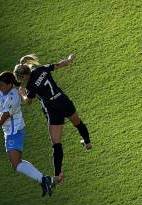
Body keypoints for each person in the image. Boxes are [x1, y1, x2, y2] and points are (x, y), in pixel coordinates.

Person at [13, 53, 92, 183]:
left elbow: (28, 102)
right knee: (78, 122)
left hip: (53, 110)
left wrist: (22, 94)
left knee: (56, 143)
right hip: (64, 100)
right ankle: (87, 142)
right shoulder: (42, 69)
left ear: (24, 76)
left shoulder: (30, 86)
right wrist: (69, 59)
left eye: (18, 78)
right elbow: (60, 64)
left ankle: (58, 175)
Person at [0, 71, 58, 197]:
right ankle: (44, 180)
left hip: (15, 132)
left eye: (2, 85)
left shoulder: (13, 97)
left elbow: (2, 119)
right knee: (17, 162)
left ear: (10, 84)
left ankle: (43, 179)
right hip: (9, 131)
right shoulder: (0, 91)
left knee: (16, 163)